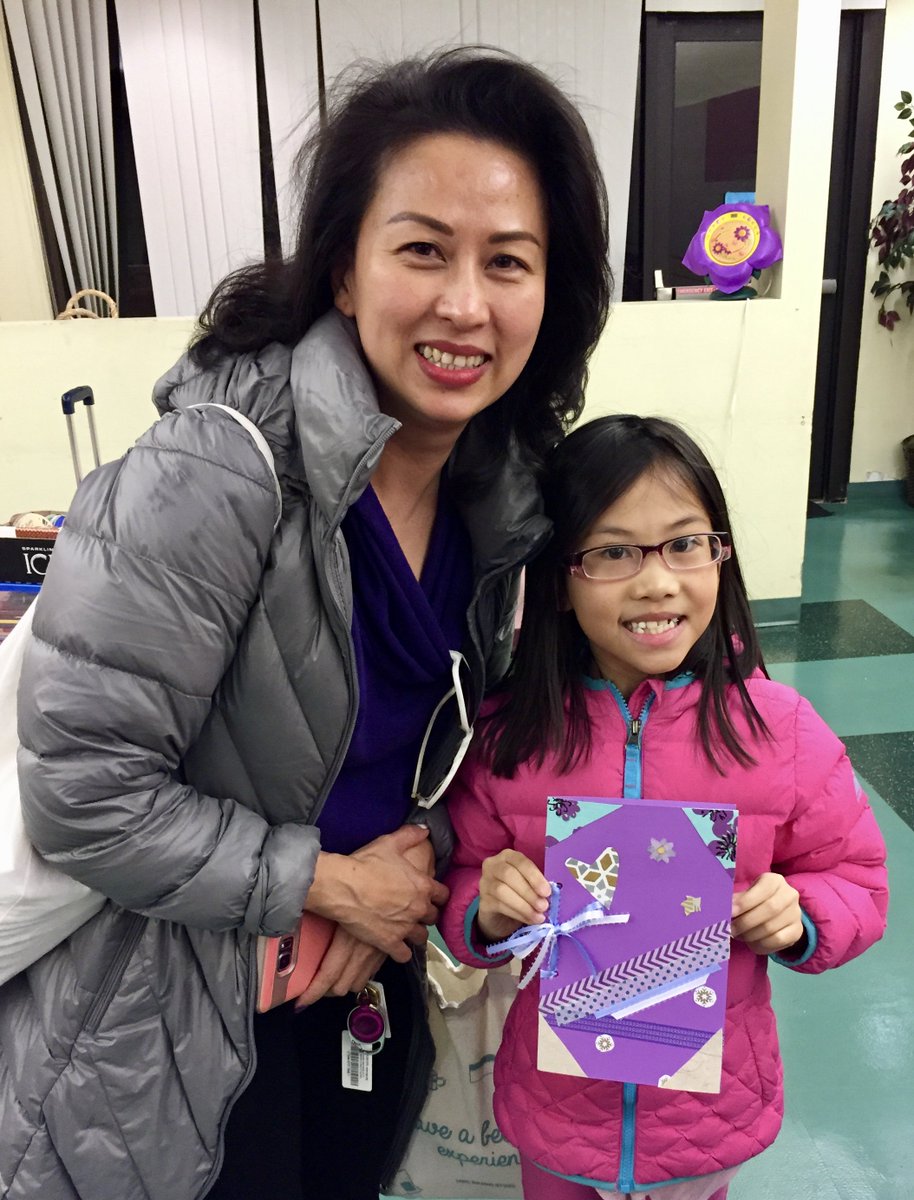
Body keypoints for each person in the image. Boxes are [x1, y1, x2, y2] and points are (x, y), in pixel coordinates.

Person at [0, 48, 611, 1200]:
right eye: (421, 249)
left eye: (507, 261)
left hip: (357, 993)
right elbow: (86, 793)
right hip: (169, 1023)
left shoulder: (508, 502)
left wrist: (411, 871)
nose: (464, 303)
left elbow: (454, 755)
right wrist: (324, 885)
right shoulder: (215, 472)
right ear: (342, 269)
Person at [439, 414, 889, 1200]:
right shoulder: (511, 735)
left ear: (721, 555)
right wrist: (486, 910)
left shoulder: (779, 731)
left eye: (686, 544)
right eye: (613, 552)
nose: (657, 582)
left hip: (706, 1118)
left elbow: (857, 877)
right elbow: (460, 876)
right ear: (558, 580)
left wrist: (801, 914)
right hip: (557, 1109)